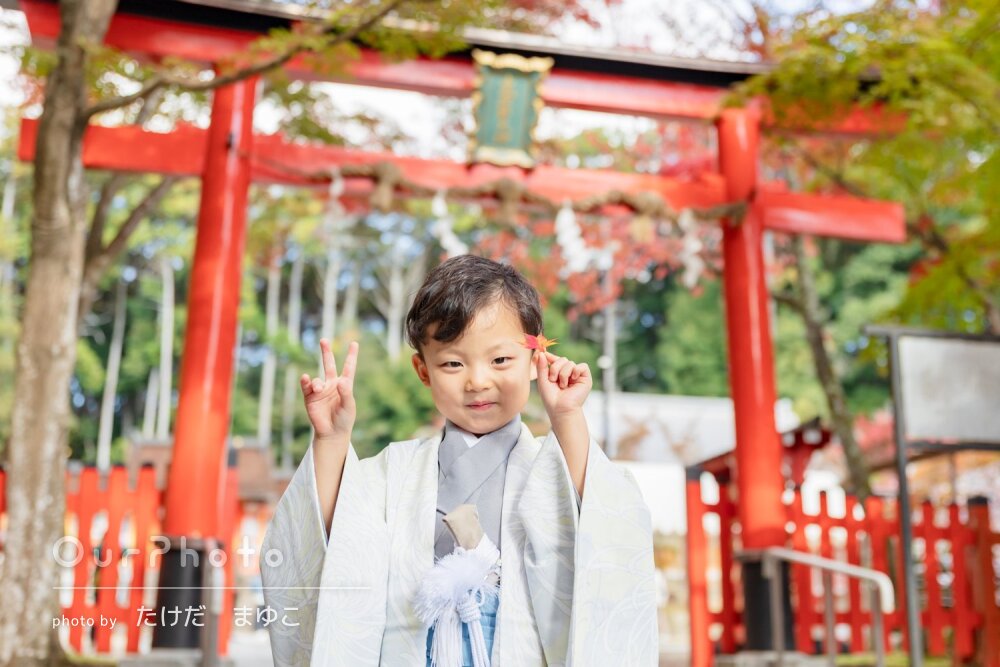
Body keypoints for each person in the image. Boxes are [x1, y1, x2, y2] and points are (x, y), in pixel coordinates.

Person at [261, 255, 657, 666]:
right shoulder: (393, 473)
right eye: (453, 363)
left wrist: (568, 418)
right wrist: (331, 439)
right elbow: (331, 544)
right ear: (423, 370)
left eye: (500, 360)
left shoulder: (549, 467)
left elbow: (605, 538)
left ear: (535, 358)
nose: (478, 381)